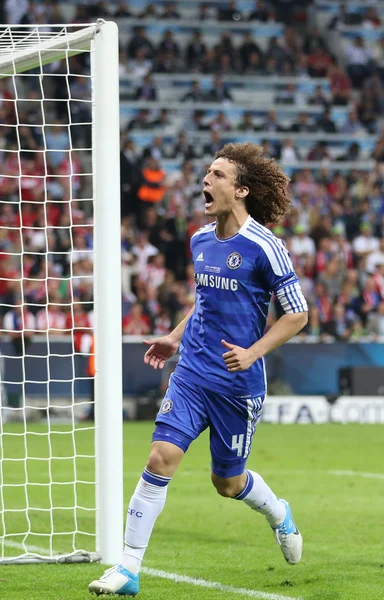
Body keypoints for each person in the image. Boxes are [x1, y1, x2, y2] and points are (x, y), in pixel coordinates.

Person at [89, 143, 308, 596]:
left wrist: (252, 352)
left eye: (218, 175)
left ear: (241, 189)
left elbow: (297, 313)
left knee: (226, 483)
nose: (206, 181)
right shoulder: (200, 239)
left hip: (237, 384)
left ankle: (277, 512)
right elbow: (207, 301)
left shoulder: (266, 247)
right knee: (159, 459)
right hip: (191, 373)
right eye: (207, 173)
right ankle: (128, 569)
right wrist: (174, 335)